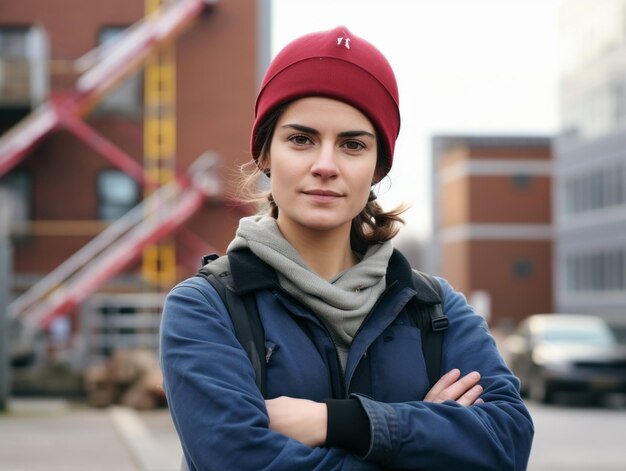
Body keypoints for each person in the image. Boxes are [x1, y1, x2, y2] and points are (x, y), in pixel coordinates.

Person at [160, 26, 533, 470]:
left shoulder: (436, 309)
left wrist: (341, 422)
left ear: (377, 168)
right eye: (301, 139)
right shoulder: (206, 308)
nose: (325, 166)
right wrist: (429, 436)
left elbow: (507, 442)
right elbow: (239, 461)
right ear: (264, 154)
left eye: (352, 145)